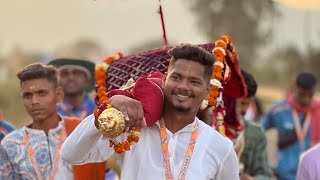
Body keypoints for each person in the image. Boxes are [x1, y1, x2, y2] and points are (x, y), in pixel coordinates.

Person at [61, 44, 240, 179]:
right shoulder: (131, 126)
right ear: (164, 81)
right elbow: (70, 154)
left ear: (207, 91)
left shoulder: (220, 147)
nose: (183, 87)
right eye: (176, 77)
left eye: (194, 81)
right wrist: (108, 107)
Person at [0, 63, 105, 179]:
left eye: (42, 93)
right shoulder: (10, 144)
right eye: (28, 95)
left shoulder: (81, 132)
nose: (34, 101)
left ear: (59, 95)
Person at [262, 72, 318, 180]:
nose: (306, 98)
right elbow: (259, 131)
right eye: (302, 94)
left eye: (309, 94)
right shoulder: (278, 110)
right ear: (295, 88)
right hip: (284, 174)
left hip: (312, 174)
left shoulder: (318, 111)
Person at [237, 70, 273, 180]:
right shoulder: (207, 126)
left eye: (247, 103)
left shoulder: (256, 133)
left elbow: (265, 175)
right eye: (239, 103)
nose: (243, 109)